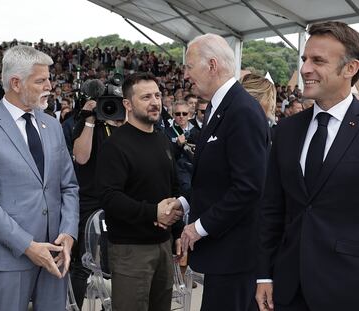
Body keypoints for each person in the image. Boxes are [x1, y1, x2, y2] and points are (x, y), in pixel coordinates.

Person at [0, 45, 79, 311]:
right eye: (41, 80)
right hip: (10, 259)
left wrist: (68, 234)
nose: (50, 85)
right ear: (16, 83)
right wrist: (27, 246)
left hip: (56, 255)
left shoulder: (52, 126)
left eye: (49, 78)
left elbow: (69, 186)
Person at [256, 21, 359, 311]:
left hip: (348, 288)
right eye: (304, 60)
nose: (305, 69)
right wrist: (264, 274)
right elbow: (272, 208)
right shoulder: (287, 130)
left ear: (350, 69)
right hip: (287, 287)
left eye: (318, 61)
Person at [180, 33, 269, 311]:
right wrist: (184, 203)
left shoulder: (241, 109)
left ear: (212, 65)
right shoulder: (220, 107)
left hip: (236, 256)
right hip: (224, 255)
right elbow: (216, 178)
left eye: (189, 66)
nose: (185, 74)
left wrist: (200, 227)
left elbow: (249, 187)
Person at [96, 72, 184, 311]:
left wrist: (176, 232)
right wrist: (153, 212)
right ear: (127, 104)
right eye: (146, 97)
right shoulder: (115, 146)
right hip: (130, 251)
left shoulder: (163, 140)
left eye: (157, 95)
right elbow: (109, 197)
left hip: (163, 246)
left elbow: (173, 187)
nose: (155, 101)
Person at [69, 98, 124, 309]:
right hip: (89, 201)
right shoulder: (87, 124)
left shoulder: (128, 127)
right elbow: (81, 157)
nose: (110, 108)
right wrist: (90, 119)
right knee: (83, 263)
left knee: (118, 263)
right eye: (107, 104)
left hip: (118, 201)